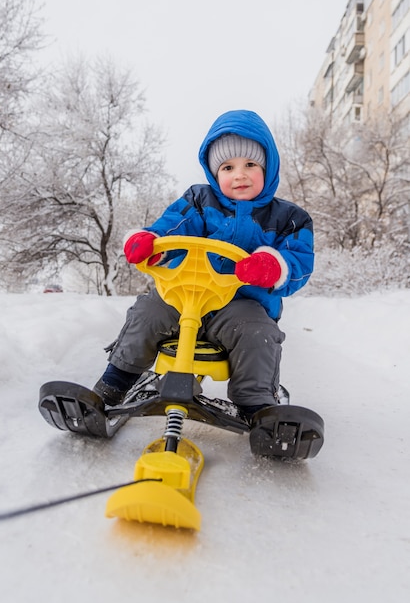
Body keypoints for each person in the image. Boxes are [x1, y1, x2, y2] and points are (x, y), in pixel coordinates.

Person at [93, 109, 314, 422]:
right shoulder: (199, 201)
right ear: (214, 172)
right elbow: (172, 227)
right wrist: (151, 244)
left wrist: (273, 267)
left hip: (240, 305)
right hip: (183, 297)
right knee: (147, 311)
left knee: (257, 333)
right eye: (228, 167)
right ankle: (114, 382)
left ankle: (257, 406)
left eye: (251, 164)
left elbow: (300, 260)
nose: (240, 174)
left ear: (269, 166)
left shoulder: (289, 218)